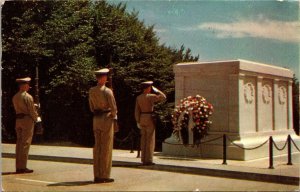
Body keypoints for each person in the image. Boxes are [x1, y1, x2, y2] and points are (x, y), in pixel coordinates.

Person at [88, 68, 117, 183]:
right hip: (106, 118)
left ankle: (97, 175)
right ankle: (104, 175)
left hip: (96, 119)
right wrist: (113, 116)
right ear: (104, 78)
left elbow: (90, 106)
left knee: (97, 147)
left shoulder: (92, 90)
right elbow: (114, 108)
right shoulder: (108, 91)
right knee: (106, 148)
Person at [12, 77, 40, 173]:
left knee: (19, 143)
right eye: (28, 85)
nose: (29, 87)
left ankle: (18, 166)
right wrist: (37, 119)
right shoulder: (28, 96)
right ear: (24, 85)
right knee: (25, 143)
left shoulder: (15, 96)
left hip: (18, 120)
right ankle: (22, 167)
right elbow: (31, 111)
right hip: (27, 121)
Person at [135, 81, 166, 165]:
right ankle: (148, 159)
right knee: (150, 139)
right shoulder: (150, 96)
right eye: (150, 87)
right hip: (149, 118)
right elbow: (163, 97)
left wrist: (138, 120)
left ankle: (143, 159)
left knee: (143, 139)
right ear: (148, 88)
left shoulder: (139, 97)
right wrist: (157, 90)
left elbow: (137, 111)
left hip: (142, 118)